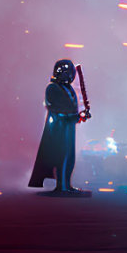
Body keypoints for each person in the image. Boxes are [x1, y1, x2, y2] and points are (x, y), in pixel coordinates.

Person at [28, 59, 91, 196]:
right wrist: (75, 117)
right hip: (58, 129)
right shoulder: (52, 88)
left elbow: (71, 110)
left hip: (68, 128)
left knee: (70, 157)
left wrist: (81, 116)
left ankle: (66, 185)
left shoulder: (69, 89)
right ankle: (61, 186)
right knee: (60, 157)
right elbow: (56, 109)